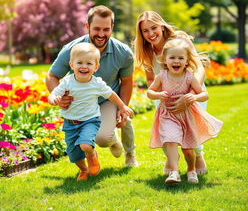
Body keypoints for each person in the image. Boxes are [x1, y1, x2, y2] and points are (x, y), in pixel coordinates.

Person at [46, 5, 138, 167]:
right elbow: (52, 75)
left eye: (106, 29)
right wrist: (59, 97)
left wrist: (122, 108)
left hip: (108, 99)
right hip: (81, 101)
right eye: (96, 29)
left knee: (102, 139)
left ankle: (130, 153)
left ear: (112, 28)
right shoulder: (72, 50)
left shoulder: (123, 53)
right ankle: (112, 138)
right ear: (87, 26)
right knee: (91, 138)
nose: (101, 34)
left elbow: (127, 82)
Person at [134, 11, 208, 175]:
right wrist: (160, 96)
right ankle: (172, 162)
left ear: (161, 25)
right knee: (167, 132)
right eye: (145, 31)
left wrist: (189, 96)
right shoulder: (146, 51)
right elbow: (149, 80)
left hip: (192, 91)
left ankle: (198, 154)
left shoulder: (179, 40)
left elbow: (199, 67)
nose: (151, 34)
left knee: (191, 130)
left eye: (153, 28)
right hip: (165, 97)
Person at [48, 43, 133, 180]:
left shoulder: (96, 83)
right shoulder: (67, 82)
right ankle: (84, 170)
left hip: (90, 121)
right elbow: (53, 93)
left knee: (85, 144)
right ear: (71, 64)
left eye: (89, 63)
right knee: (74, 154)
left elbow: (111, 95)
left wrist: (122, 106)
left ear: (96, 67)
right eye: (79, 62)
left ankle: (92, 155)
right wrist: (53, 98)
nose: (84, 66)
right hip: (70, 123)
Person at [147, 38, 223, 184]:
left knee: (188, 149)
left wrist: (193, 97)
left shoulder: (189, 77)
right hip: (168, 115)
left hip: (187, 116)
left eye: (181, 58)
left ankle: (191, 170)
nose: (177, 61)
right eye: (172, 58)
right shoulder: (162, 76)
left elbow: (204, 94)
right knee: (171, 140)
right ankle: (174, 173)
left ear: (187, 61)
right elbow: (150, 92)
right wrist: (158, 95)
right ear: (165, 60)